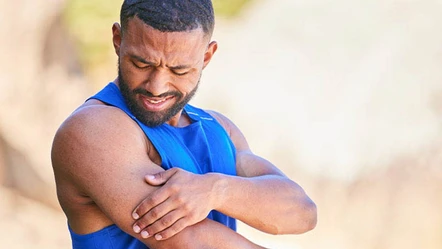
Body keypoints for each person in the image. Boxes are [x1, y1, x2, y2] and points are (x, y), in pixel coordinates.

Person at [51, 0, 317, 248]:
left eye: (179, 70)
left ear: (207, 56)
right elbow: (190, 241)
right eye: (141, 64)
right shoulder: (92, 129)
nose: (157, 87)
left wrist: (216, 190)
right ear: (118, 41)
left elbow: (301, 212)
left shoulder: (218, 128)